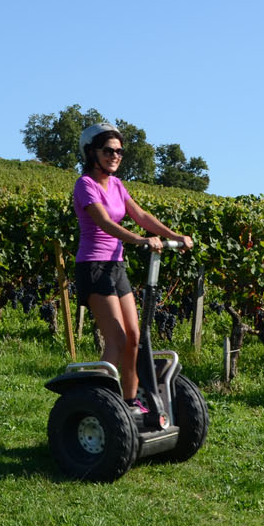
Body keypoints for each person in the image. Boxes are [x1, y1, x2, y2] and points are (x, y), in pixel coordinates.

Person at [72, 123, 192, 415]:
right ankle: (102, 405)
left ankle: (129, 403)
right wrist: (139, 240)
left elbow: (140, 215)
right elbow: (104, 223)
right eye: (108, 150)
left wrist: (173, 236)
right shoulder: (85, 184)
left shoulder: (117, 185)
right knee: (117, 338)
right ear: (91, 153)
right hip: (93, 266)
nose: (115, 155)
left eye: (119, 152)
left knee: (135, 338)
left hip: (116, 266)